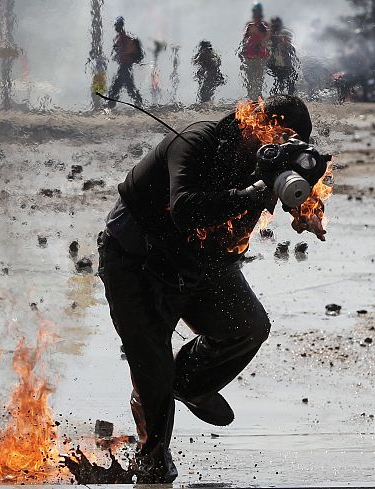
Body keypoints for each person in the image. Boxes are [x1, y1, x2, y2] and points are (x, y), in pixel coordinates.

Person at [97, 95, 324, 483]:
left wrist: (307, 210)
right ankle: (152, 457)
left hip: (203, 260)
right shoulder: (195, 143)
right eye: (278, 137)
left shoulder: (277, 160)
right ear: (256, 124)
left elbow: (297, 192)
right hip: (138, 259)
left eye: (290, 143)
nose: (279, 148)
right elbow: (184, 209)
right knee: (153, 369)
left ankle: (188, 384)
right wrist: (253, 194)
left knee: (249, 326)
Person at [107, 16, 144, 109]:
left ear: (120, 25)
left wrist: (122, 52)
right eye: (115, 25)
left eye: (116, 25)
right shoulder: (120, 37)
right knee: (128, 87)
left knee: (116, 87)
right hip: (125, 66)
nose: (115, 27)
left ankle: (110, 105)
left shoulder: (125, 37)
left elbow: (129, 50)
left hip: (125, 66)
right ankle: (139, 103)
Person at [240, 2, 270, 100]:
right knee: (251, 78)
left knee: (258, 78)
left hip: (259, 56)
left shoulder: (263, 26)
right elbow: (244, 39)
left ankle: (257, 96)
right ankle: (252, 97)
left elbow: (267, 39)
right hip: (251, 56)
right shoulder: (250, 26)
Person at [267, 17, 299, 96]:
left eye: (289, 39)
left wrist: (296, 68)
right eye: (286, 38)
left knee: (291, 82)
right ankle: (276, 96)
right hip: (278, 68)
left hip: (287, 67)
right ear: (282, 38)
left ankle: (290, 96)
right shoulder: (277, 47)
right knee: (279, 83)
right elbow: (272, 59)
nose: (288, 40)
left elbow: (294, 59)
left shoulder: (291, 48)